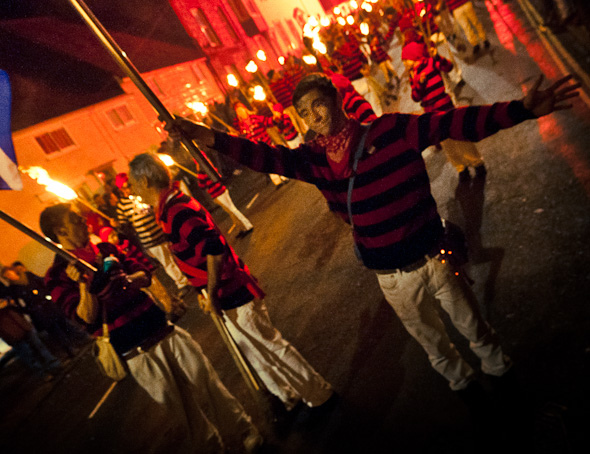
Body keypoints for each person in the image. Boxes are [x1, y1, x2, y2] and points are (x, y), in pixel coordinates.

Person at [165, 71, 579, 411]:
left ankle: (501, 373)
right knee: (431, 340)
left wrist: (523, 109)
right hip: (391, 275)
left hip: (436, 256)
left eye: (318, 105)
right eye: (305, 114)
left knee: (472, 324)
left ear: (336, 101)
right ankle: (463, 385)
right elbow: (262, 156)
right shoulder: (313, 161)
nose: (314, 118)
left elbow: (454, 123)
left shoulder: (393, 130)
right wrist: (205, 135)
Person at [39, 203, 262, 453]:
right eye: (75, 219)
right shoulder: (56, 276)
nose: (84, 220)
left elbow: (143, 274)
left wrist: (125, 279)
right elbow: (85, 318)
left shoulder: (105, 248)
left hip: (163, 329)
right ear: (60, 231)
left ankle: (244, 430)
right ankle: (212, 447)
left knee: (208, 381)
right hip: (137, 352)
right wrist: (84, 285)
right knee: (183, 409)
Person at [128, 153, 335, 416]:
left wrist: (211, 293)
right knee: (256, 351)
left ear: (145, 181)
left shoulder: (176, 210)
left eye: (134, 185)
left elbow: (214, 250)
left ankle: (320, 394)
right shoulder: (168, 209)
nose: (134, 192)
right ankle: (289, 396)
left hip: (232, 292)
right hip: (221, 294)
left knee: (270, 345)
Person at [402, 40, 485, 181]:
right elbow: (415, 97)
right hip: (431, 113)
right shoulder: (412, 74)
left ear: (414, 56)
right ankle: (461, 167)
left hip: (445, 106)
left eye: (405, 59)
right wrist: (420, 84)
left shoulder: (430, 62)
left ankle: (477, 162)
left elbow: (448, 67)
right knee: (446, 143)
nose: (404, 63)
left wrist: (437, 57)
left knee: (458, 135)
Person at [113, 172, 193, 299]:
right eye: (125, 187)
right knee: (167, 262)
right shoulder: (122, 206)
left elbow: (156, 206)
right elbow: (124, 225)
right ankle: (182, 283)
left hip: (161, 231)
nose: (129, 188)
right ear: (121, 189)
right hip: (149, 239)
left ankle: (191, 275)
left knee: (179, 255)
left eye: (130, 185)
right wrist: (118, 224)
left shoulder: (141, 195)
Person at [0, 277, 61, 380]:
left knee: (39, 346)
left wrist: (8, 303)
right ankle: (43, 374)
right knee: (28, 355)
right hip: (10, 333)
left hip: (21, 325)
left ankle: (54, 365)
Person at [0, 264, 86, 357]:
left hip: (49, 305)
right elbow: (21, 304)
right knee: (56, 332)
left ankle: (81, 340)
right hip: (39, 313)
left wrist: (48, 294)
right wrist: (31, 309)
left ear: (13, 271)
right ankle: (70, 350)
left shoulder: (28, 276)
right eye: (7, 276)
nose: (10, 276)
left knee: (64, 324)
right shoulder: (13, 289)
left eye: (9, 273)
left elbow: (42, 283)